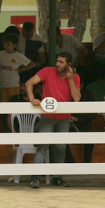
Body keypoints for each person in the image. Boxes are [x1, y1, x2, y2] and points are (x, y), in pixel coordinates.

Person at [25, 52, 80, 188]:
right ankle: (35, 177)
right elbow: (29, 83)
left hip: (64, 118)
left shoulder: (75, 77)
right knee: (42, 146)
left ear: (68, 65)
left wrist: (71, 79)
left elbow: (77, 98)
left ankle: (57, 177)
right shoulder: (47, 71)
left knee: (61, 148)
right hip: (47, 116)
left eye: (61, 62)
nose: (57, 64)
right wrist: (32, 99)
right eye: (57, 61)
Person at [0, 34, 35, 102]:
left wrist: (21, 70)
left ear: (14, 45)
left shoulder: (19, 56)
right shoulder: (1, 53)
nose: (5, 46)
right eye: (4, 43)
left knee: (13, 104)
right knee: (4, 104)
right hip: (3, 85)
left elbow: (32, 64)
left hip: (13, 85)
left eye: (8, 44)